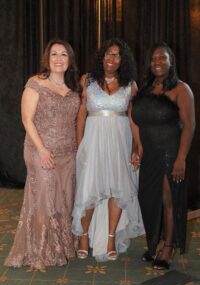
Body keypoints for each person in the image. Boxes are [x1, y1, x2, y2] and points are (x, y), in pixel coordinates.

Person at [4, 39, 81, 268]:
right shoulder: (35, 83)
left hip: (68, 153)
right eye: (54, 54)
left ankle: (60, 245)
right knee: (44, 200)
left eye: (64, 54)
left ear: (70, 60)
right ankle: (40, 250)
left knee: (64, 201)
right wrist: (42, 149)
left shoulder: (73, 88)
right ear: (47, 58)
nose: (59, 59)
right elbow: (27, 119)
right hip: (41, 150)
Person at [72, 38, 144, 262]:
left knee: (117, 190)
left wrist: (137, 146)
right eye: (108, 54)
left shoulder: (130, 85)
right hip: (93, 142)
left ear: (123, 60)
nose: (111, 59)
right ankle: (84, 236)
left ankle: (111, 238)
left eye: (117, 55)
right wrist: (79, 146)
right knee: (89, 189)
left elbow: (133, 119)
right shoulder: (88, 80)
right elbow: (82, 114)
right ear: (101, 57)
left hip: (120, 142)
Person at [132, 42, 195, 269]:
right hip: (149, 154)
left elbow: (189, 125)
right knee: (148, 199)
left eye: (162, 58)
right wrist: (136, 147)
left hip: (170, 153)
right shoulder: (146, 89)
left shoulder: (181, 89)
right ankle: (155, 242)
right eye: (153, 59)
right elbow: (138, 120)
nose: (157, 62)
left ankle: (167, 248)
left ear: (171, 62)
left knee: (168, 201)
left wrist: (181, 158)